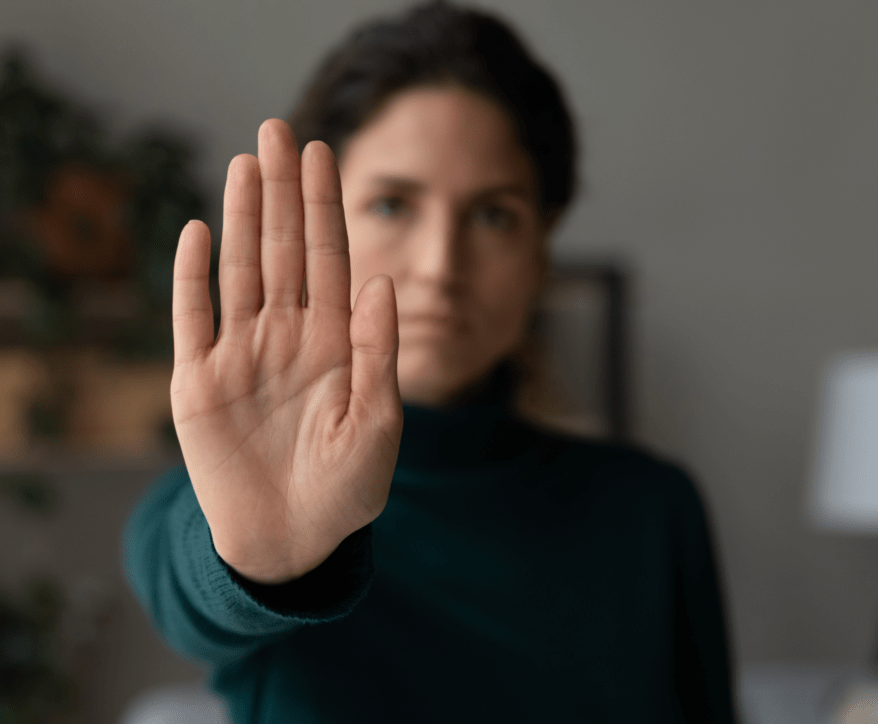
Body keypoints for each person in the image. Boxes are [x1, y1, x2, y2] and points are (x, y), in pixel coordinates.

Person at [122, 3, 737, 722]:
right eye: (391, 205)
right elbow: (192, 589)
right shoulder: (225, 500)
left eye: (492, 214)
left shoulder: (651, 512)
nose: (441, 265)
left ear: (541, 250)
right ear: (314, 219)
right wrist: (265, 561)